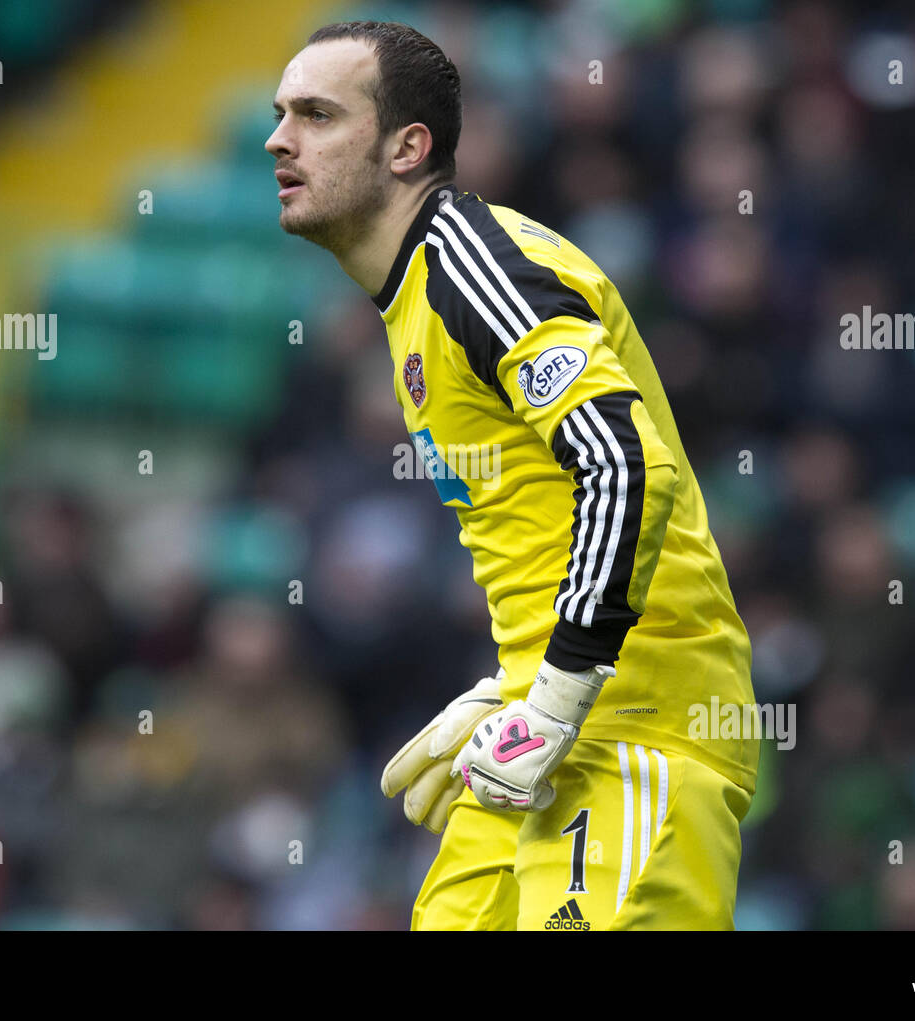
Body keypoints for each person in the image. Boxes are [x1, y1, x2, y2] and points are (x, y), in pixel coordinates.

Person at [266, 20, 759, 930]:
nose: (278, 139)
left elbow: (621, 464)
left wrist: (560, 691)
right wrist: (517, 683)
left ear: (408, 146)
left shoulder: (473, 263)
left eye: (318, 114)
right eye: (280, 114)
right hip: (543, 731)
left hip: (631, 734)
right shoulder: (413, 299)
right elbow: (545, 514)